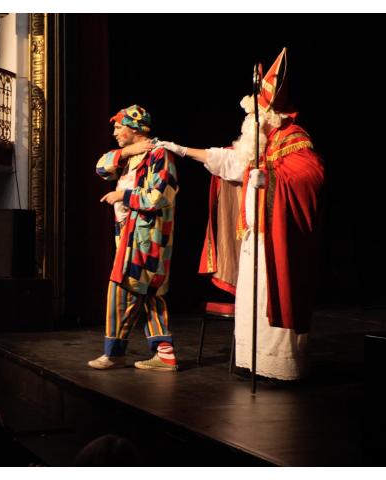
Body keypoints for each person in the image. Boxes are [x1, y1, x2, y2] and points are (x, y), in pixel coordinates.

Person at [157, 48, 324, 381]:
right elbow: (227, 161)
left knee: (269, 298)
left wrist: (272, 177)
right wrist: (181, 149)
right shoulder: (256, 145)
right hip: (251, 237)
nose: (250, 121)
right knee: (250, 302)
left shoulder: (292, 139)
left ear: (271, 116)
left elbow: (311, 176)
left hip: (275, 240)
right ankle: (250, 361)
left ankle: (276, 367)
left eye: (256, 114)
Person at [89, 105, 179, 371]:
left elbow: (161, 195)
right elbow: (101, 169)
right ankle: (164, 353)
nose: (115, 132)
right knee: (149, 293)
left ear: (134, 128)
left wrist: (123, 196)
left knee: (123, 287)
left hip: (148, 236)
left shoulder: (159, 154)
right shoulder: (131, 157)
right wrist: (127, 151)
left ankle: (115, 353)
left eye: (119, 127)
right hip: (130, 233)